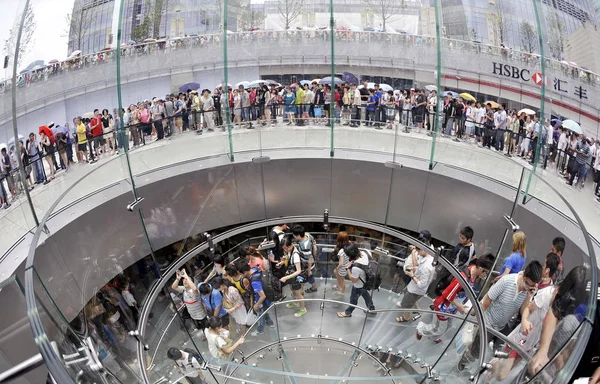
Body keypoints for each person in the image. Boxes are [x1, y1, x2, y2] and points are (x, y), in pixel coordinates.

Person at [457, 261, 543, 372]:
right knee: (476, 351)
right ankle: (465, 358)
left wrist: (529, 296)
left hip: (502, 326)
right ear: (524, 275)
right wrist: (479, 320)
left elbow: (522, 311)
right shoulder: (506, 281)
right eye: (527, 283)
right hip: (488, 323)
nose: (527, 287)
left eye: (531, 286)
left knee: (497, 352)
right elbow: (487, 300)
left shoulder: (528, 291)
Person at [490, 253, 560, 381]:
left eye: (544, 265)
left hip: (531, 342)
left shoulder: (550, 292)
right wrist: (524, 320)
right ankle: (491, 366)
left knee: (504, 372)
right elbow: (526, 309)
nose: (542, 268)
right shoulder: (539, 286)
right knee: (502, 374)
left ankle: (491, 369)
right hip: (520, 336)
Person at [416, 253, 494, 343]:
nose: (486, 275)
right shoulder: (462, 278)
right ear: (480, 269)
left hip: (452, 307)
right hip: (443, 307)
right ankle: (420, 329)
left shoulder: (474, 275)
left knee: (448, 326)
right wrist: (459, 306)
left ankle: (433, 337)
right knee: (439, 328)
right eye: (486, 272)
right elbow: (447, 293)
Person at [395, 241, 435, 323]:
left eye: (418, 251)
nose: (418, 254)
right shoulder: (429, 257)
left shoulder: (427, 267)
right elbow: (419, 267)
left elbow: (422, 285)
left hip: (416, 289)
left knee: (406, 304)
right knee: (408, 297)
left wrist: (412, 275)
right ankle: (415, 307)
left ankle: (406, 318)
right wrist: (416, 269)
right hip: (414, 287)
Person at [337, 243, 375, 318]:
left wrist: (347, 269)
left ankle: (348, 312)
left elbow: (353, 280)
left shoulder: (356, 267)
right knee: (365, 295)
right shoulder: (366, 252)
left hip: (359, 284)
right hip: (368, 280)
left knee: (353, 299)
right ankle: (371, 309)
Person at [279, 236, 308, 318]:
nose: (285, 250)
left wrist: (286, 278)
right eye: (284, 249)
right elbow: (288, 257)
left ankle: (303, 308)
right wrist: (281, 263)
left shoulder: (296, 255)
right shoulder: (291, 250)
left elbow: (298, 271)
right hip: (293, 275)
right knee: (293, 290)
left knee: (298, 293)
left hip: (297, 277)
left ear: (291, 245)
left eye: (286, 248)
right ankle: (296, 302)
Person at [243, 265, 275, 336]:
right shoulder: (255, 269)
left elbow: (262, 296)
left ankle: (260, 330)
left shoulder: (255, 281)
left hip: (261, 301)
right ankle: (270, 323)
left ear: (245, 271)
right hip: (267, 300)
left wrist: (256, 304)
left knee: (260, 317)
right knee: (264, 312)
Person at [292, 224, 318, 294]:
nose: (293, 236)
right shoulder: (308, 235)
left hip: (307, 265)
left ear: (298, 235)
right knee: (310, 277)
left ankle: (300, 294)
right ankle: (313, 287)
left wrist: (309, 270)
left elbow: (309, 260)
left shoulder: (305, 246)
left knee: (306, 277)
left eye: (294, 235)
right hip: (307, 263)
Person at [331, 231, 351, 295]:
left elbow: (341, 264)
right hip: (347, 265)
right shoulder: (349, 245)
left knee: (341, 279)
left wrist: (337, 268)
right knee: (338, 275)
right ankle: (338, 286)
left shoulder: (341, 251)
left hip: (342, 267)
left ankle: (342, 291)